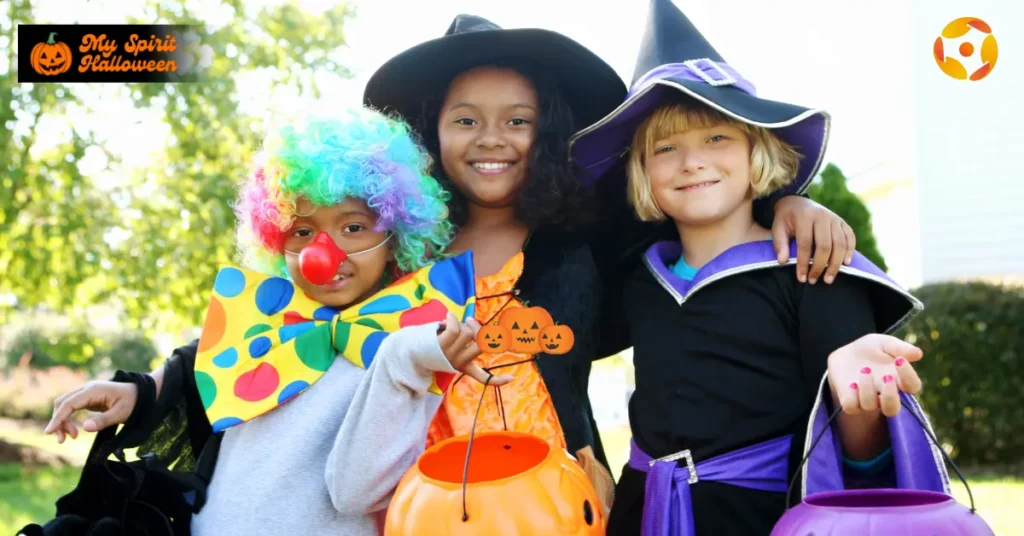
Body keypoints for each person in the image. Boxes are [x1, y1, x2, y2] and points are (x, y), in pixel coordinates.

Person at [362, 13, 860, 512]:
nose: (491, 138)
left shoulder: (585, 238)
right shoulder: (397, 251)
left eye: (518, 120)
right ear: (431, 133)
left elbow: (696, 203)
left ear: (548, 132)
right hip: (422, 502)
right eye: (466, 120)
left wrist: (789, 202)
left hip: (557, 503)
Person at [567, 2, 951, 534]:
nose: (692, 161)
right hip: (645, 514)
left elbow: (857, 451)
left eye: (717, 137)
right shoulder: (639, 280)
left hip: (763, 519)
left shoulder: (815, 271)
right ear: (642, 172)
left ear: (758, 152)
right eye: (665, 147)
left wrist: (859, 395)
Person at [40, 109, 502, 535]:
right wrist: (140, 392)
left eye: (354, 227)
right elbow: (200, 373)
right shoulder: (268, 325)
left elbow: (357, 492)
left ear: (395, 235)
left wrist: (403, 361)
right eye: (303, 232)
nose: (325, 254)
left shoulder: (410, 345)